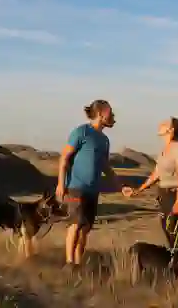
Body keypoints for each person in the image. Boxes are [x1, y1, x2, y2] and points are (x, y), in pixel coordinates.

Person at [56, 99, 130, 271]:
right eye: (110, 113)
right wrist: (61, 184)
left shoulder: (104, 140)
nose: (113, 117)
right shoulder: (81, 132)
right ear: (100, 114)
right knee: (75, 224)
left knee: (86, 228)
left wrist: (120, 186)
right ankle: (69, 264)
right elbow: (64, 158)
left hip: (93, 190)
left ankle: (78, 264)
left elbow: (105, 166)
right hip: (76, 187)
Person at [124, 117, 178, 250]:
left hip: (175, 195)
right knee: (167, 231)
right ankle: (176, 263)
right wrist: (138, 190)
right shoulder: (164, 149)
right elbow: (156, 174)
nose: (161, 123)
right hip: (164, 195)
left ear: (171, 130)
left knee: (176, 233)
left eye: (165, 123)